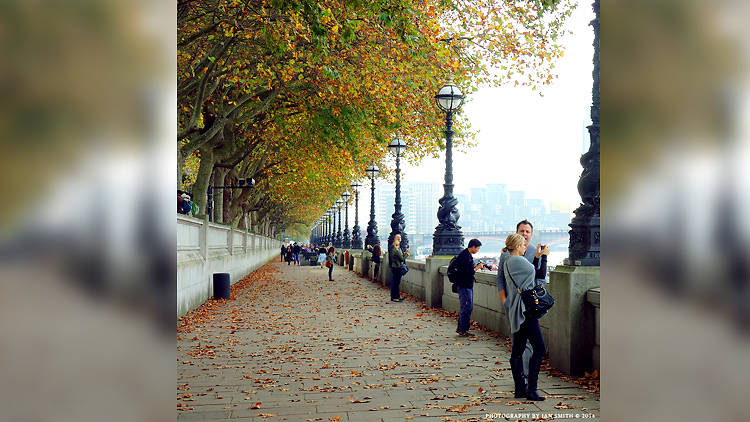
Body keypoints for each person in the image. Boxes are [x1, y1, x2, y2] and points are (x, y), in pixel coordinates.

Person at [497, 219, 549, 391]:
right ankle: (531, 389)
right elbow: (538, 274)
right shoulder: (514, 259)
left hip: (519, 308)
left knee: (517, 350)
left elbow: (531, 273)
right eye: (522, 232)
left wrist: (535, 257)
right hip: (525, 309)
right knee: (539, 348)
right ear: (517, 245)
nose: (525, 240)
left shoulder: (511, 259)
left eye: (528, 232)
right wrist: (545, 257)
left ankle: (520, 387)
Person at [452, 239, 486, 337]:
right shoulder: (465, 256)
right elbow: (467, 272)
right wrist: (478, 267)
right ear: (473, 247)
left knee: (465, 307)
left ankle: (461, 328)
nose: (478, 250)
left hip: (465, 285)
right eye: (478, 248)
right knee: (467, 307)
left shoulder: (465, 254)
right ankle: (463, 330)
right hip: (464, 286)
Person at [388, 234, 410, 302]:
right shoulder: (395, 249)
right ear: (395, 239)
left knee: (395, 282)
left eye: (400, 237)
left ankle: (395, 297)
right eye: (398, 238)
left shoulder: (397, 248)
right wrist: (407, 254)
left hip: (395, 267)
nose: (400, 239)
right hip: (397, 267)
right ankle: (396, 297)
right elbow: (401, 259)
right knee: (396, 283)